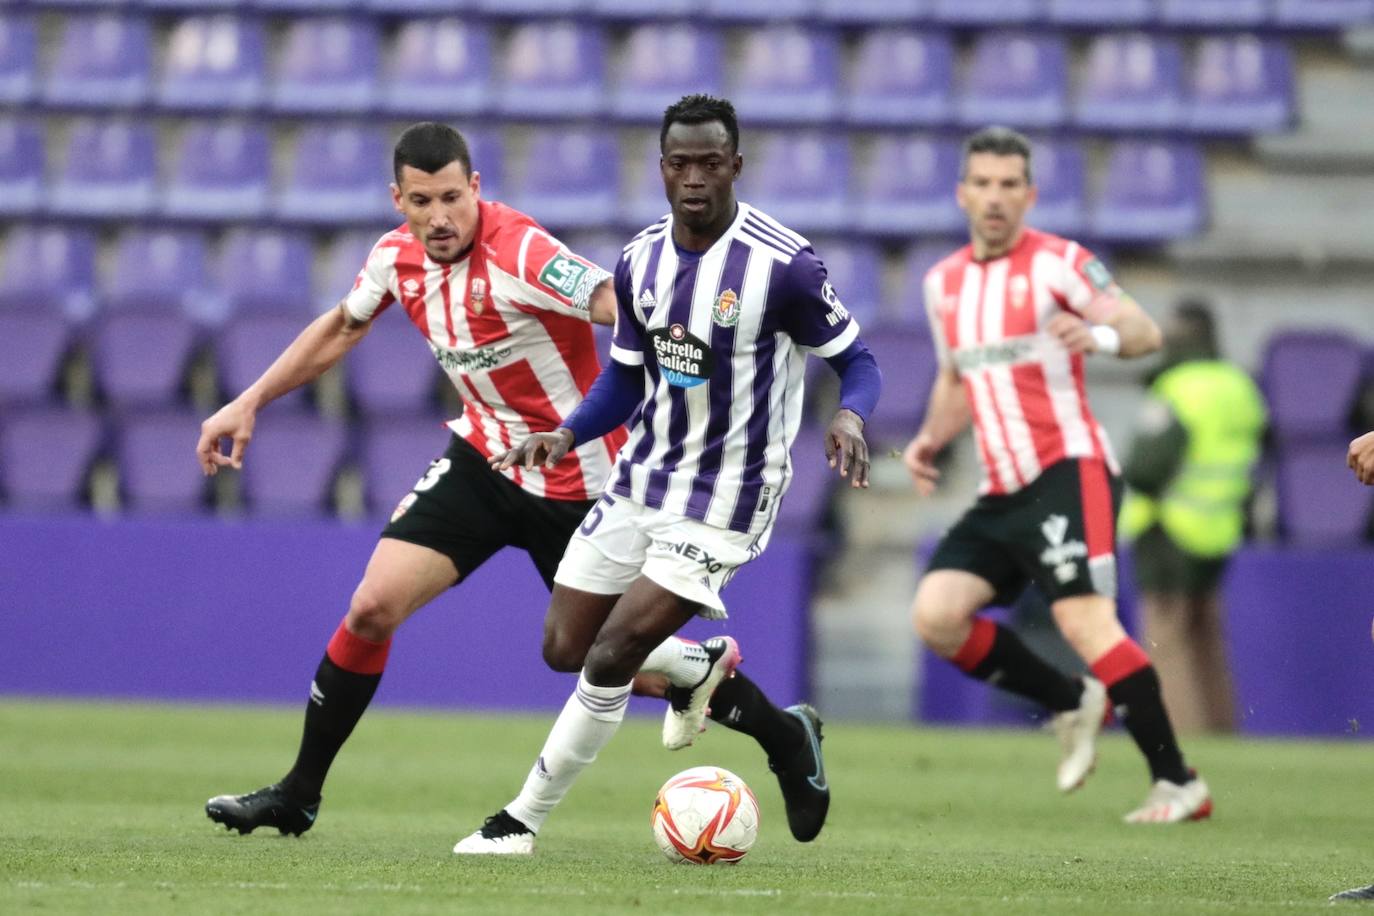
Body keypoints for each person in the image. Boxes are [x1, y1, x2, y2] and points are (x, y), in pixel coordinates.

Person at [197, 122, 794, 837]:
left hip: (580, 478)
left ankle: (774, 728)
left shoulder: (523, 250)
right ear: (399, 200)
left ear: (475, 188)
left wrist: (694, 326)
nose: (439, 216)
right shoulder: (395, 259)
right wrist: (248, 400)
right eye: (421, 201)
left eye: (452, 196)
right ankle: (298, 794)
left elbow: (608, 299)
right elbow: (341, 327)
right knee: (370, 608)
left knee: (601, 658)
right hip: (483, 460)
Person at [451, 94, 881, 855]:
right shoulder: (640, 259)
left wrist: (850, 415)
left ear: (735, 166)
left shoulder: (785, 265)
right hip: (643, 478)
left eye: (710, 163)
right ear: (661, 167)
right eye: (679, 163)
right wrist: (565, 433)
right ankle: (764, 719)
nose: (693, 178)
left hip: (729, 496)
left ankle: (519, 821)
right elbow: (623, 379)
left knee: (613, 652)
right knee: (564, 646)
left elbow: (858, 361)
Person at [902, 126, 1211, 824]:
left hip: (1070, 472)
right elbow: (957, 377)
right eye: (982, 183)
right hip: (1002, 488)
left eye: (1010, 185)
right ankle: (1072, 700)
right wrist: (928, 439)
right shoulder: (942, 284)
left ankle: (1178, 780)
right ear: (962, 193)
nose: (995, 197)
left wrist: (1096, 336)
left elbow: (1143, 331)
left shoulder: (1060, 264)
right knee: (937, 615)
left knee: (1084, 621)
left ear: (1030, 194)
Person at [1118, 300, 1266, 734]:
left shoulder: (1179, 388)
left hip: (1170, 529)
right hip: (1220, 528)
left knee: (1168, 644)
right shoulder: (1239, 385)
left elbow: (1146, 467)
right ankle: (1221, 733)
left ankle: (1181, 736)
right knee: (1207, 641)